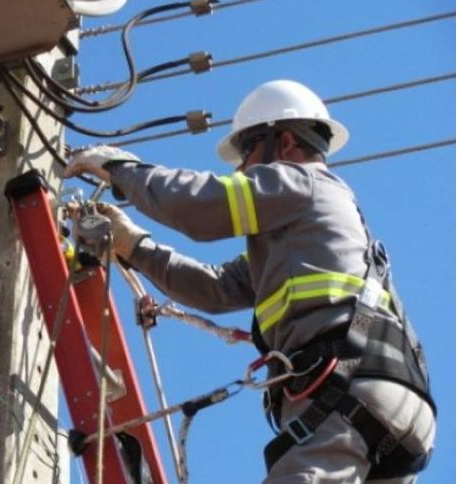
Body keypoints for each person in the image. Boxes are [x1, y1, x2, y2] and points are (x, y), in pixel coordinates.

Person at [63, 80, 436, 483]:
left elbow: (198, 205)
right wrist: (134, 245)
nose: (241, 168)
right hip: (392, 405)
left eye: (247, 151)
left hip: (346, 391)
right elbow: (216, 287)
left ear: (286, 141)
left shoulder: (301, 182)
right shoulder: (302, 239)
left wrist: (123, 170)